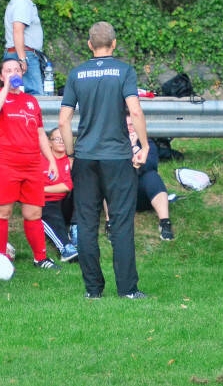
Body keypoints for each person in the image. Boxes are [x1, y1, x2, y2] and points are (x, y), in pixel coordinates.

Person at [58, 21, 148, 299]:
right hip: (118, 157)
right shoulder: (124, 71)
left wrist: (71, 153)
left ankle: (93, 290)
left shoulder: (76, 73)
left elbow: (63, 120)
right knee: (121, 223)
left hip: (85, 156)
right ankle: (128, 290)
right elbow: (135, 111)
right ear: (114, 44)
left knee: (86, 224)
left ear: (89, 45)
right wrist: (144, 145)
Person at [0, 57, 59, 270]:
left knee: (33, 213)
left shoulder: (31, 101)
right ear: (1, 76)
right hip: (4, 163)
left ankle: (40, 258)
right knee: (2, 212)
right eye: (8, 70)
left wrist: (51, 160)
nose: (13, 73)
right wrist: (6, 88)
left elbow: (40, 132)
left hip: (32, 164)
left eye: (16, 69)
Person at [127, 112, 175, 241]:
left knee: (152, 177)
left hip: (141, 194)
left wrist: (134, 147)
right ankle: (110, 224)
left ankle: (165, 223)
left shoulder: (146, 144)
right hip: (121, 195)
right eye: (126, 126)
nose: (130, 129)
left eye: (132, 125)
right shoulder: (114, 144)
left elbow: (151, 165)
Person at [4, 0, 44, 95]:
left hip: (20, 53)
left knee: (19, 95)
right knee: (35, 94)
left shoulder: (19, 2)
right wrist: (22, 59)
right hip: (24, 54)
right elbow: (18, 30)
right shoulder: (22, 2)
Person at [42, 127, 78, 262]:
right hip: (46, 203)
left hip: (64, 203)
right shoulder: (41, 159)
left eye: (64, 138)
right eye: (57, 139)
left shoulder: (70, 160)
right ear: (49, 142)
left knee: (82, 190)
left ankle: (76, 229)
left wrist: (43, 189)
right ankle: (66, 248)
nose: (61, 141)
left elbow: (68, 186)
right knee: (48, 212)